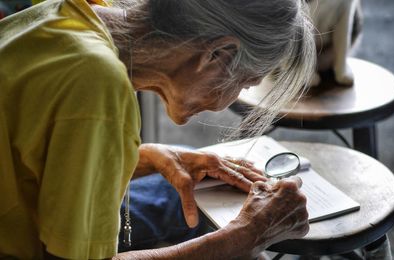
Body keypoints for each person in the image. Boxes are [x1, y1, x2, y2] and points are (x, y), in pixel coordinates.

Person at [0, 0, 315, 259]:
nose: (229, 101)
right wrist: (246, 236)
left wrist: (143, 157)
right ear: (217, 55)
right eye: (245, 83)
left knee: (188, 178)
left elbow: (35, 151)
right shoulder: (97, 84)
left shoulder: (72, 13)